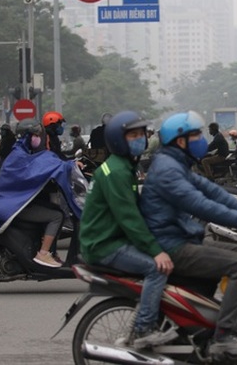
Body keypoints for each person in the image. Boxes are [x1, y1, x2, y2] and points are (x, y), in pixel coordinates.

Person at [139, 110, 237, 358]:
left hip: (182, 238)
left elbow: (213, 192)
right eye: (196, 135)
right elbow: (200, 204)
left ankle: (207, 323)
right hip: (173, 246)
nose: (202, 139)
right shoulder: (168, 169)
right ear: (181, 141)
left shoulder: (177, 162)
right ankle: (223, 337)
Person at [79, 110, 177, 349]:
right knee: (157, 269)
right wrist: (155, 250)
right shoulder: (117, 172)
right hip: (104, 245)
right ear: (117, 140)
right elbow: (129, 219)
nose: (140, 139)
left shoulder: (122, 167)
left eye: (141, 134)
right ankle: (144, 329)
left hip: (110, 238)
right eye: (133, 135)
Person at [0, 119, 77, 268]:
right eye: (36, 135)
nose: (39, 138)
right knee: (57, 216)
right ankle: (43, 254)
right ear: (28, 136)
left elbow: (46, 162)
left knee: (54, 209)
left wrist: (70, 164)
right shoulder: (19, 155)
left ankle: (49, 251)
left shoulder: (25, 152)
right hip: (13, 207)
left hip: (19, 203)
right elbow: (40, 166)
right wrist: (70, 165)